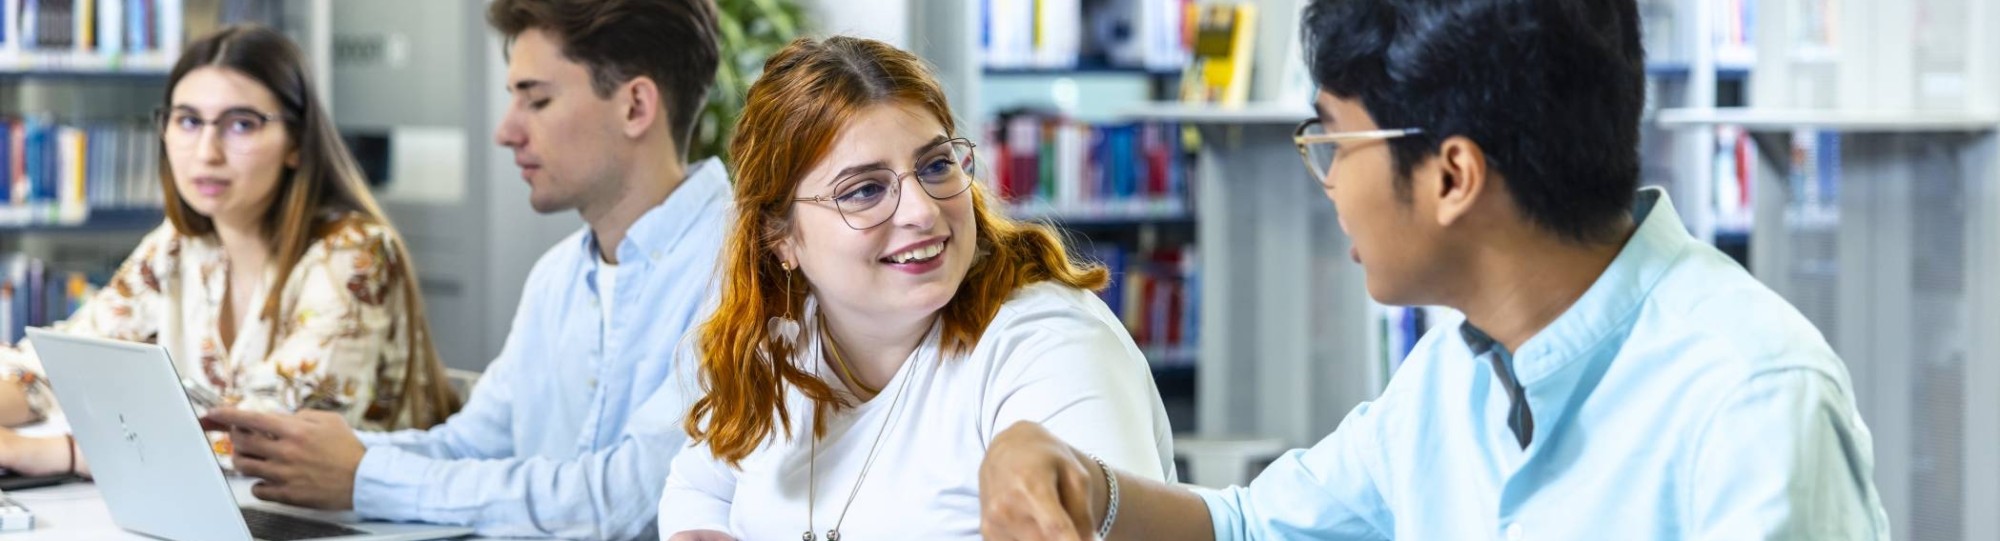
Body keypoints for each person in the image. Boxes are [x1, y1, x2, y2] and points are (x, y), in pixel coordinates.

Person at [976, 0, 1891, 539]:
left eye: (1334, 138)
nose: (1326, 177)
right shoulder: (1457, 374)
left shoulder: (1753, 400)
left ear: (1453, 174)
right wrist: (1078, 482)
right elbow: (1257, 527)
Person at [199, 1, 730, 539]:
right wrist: (315, 453)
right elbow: (467, 446)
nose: (506, 131)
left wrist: (366, 475)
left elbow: (625, 503)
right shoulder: (559, 276)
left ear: (635, 106)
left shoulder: (745, 271)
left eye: (537, 100)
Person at [657, 36, 1176, 541]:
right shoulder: (781, 342)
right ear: (781, 236)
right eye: (864, 190)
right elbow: (700, 485)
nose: (923, 211)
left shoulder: (1049, 344)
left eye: (936, 165)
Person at [0, 24, 459, 478]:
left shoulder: (353, 254)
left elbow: (269, 438)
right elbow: (62, 367)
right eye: (188, 120)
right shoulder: (180, 246)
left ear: (296, 143)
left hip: (356, 524)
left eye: (241, 124)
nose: (207, 151)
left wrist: (56, 452)